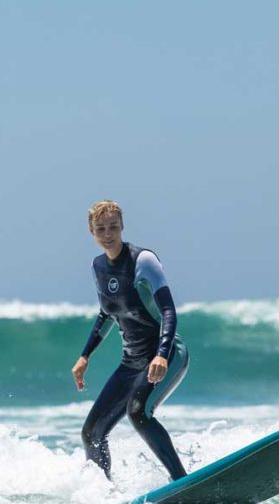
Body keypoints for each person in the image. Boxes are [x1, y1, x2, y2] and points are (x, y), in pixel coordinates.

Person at [71, 200, 190, 482]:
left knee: (139, 413)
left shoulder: (143, 260)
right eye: (100, 229)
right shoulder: (98, 266)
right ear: (91, 231)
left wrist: (161, 354)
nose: (108, 233)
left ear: (122, 226)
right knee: (91, 433)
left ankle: (182, 481)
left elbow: (168, 310)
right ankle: (102, 493)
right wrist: (85, 355)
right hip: (131, 362)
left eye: (113, 227)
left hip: (168, 353)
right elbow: (107, 313)